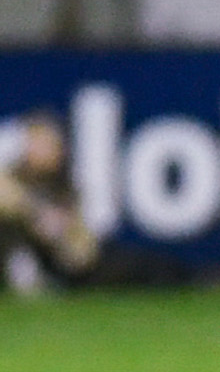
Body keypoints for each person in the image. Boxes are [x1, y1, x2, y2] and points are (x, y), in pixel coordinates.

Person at [0, 111, 190, 293]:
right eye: (37, 143)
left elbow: (83, 252)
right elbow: (7, 197)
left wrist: (62, 238)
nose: (45, 150)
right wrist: (36, 215)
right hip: (17, 253)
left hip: (56, 262)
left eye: (50, 144)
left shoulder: (65, 187)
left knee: (139, 265)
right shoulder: (12, 177)